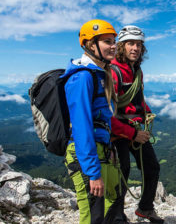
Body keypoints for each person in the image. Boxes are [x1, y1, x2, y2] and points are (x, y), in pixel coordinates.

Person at [62, 19, 127, 224]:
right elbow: (81, 127)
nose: (114, 46)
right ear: (91, 45)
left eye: (114, 41)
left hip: (102, 150)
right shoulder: (82, 77)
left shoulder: (98, 73)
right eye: (107, 41)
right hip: (86, 155)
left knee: (115, 197)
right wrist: (92, 172)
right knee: (93, 215)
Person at [111, 25, 163, 223]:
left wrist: (146, 112)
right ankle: (116, 216)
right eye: (131, 43)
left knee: (152, 166)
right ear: (121, 46)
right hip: (117, 132)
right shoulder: (114, 72)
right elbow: (106, 114)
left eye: (139, 45)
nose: (135, 48)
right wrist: (133, 134)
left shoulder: (136, 70)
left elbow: (136, 99)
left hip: (133, 128)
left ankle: (145, 208)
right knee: (121, 173)